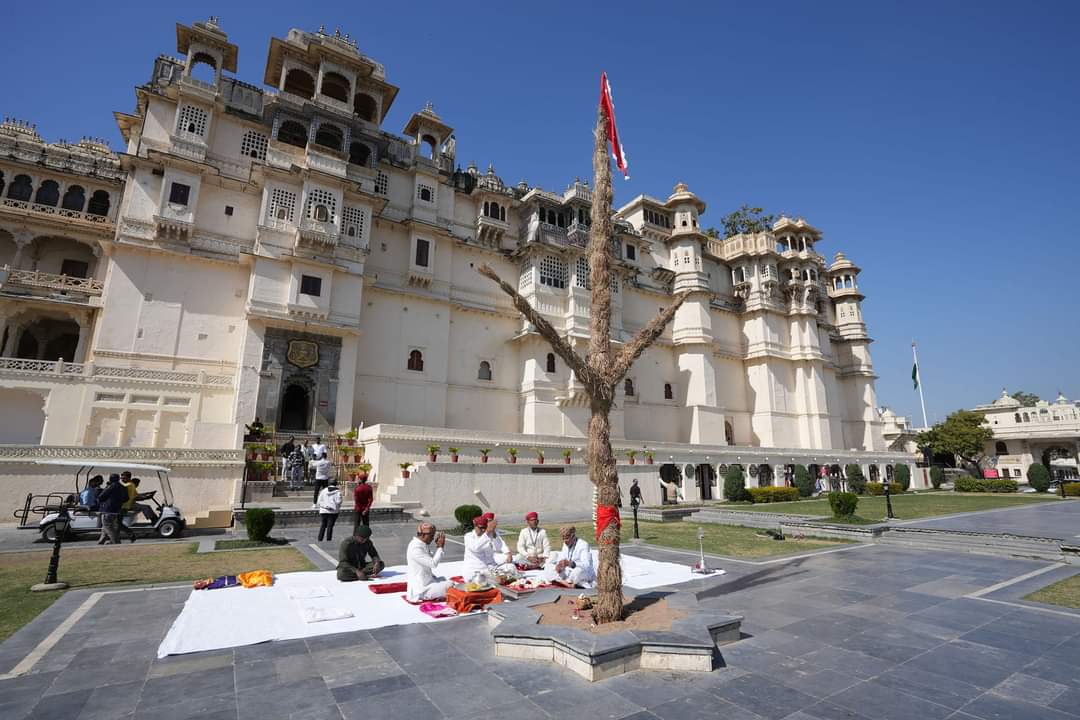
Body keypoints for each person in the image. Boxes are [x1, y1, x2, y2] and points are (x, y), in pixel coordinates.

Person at [406, 522, 450, 602]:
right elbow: (433, 564)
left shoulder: (421, 544)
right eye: (431, 536)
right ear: (423, 535)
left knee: (444, 579)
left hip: (427, 582)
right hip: (421, 590)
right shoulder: (415, 548)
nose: (433, 538)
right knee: (451, 585)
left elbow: (428, 559)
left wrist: (438, 547)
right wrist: (440, 548)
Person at [96, 474, 126, 545]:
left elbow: (101, 496)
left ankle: (116, 541)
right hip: (117, 509)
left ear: (110, 479)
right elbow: (126, 498)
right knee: (106, 526)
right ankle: (101, 540)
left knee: (108, 526)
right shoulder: (123, 487)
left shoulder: (110, 486)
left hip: (108, 509)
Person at [117, 472, 138, 542]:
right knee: (117, 523)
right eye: (121, 478)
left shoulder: (127, 485)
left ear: (129, 478)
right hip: (126, 507)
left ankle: (131, 534)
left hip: (122, 506)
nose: (122, 479)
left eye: (124, 478)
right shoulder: (132, 485)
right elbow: (135, 495)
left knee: (117, 523)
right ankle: (115, 539)